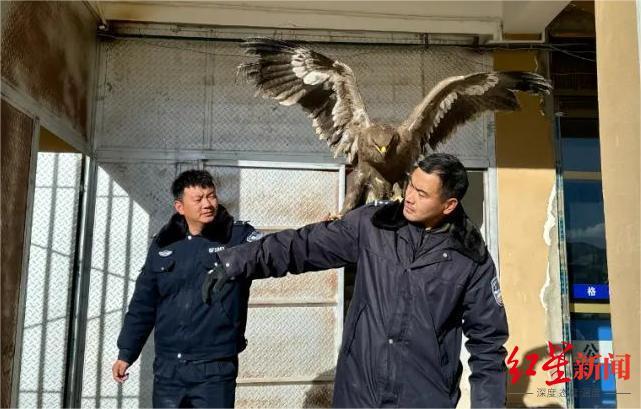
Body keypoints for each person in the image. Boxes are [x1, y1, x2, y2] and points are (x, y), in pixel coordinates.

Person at [203, 153, 508, 408]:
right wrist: (237, 261)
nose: (410, 197)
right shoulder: (376, 225)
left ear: (449, 205)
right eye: (411, 186)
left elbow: (488, 346)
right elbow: (304, 245)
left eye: (423, 194)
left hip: (423, 398)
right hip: (359, 393)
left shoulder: (470, 259)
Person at [113, 170, 260, 408]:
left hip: (215, 367)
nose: (208, 204)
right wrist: (126, 352)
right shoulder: (165, 243)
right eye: (199, 199)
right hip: (169, 370)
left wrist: (317, 233)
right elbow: (143, 302)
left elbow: (273, 249)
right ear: (180, 207)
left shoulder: (237, 236)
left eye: (211, 196)